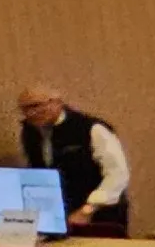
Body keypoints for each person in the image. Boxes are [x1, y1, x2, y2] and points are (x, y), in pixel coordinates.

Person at [13, 85, 131, 237]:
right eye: (25, 109)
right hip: (62, 217)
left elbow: (117, 174)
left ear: (57, 102)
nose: (31, 113)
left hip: (101, 214)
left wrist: (88, 209)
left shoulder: (91, 128)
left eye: (36, 105)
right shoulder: (30, 133)